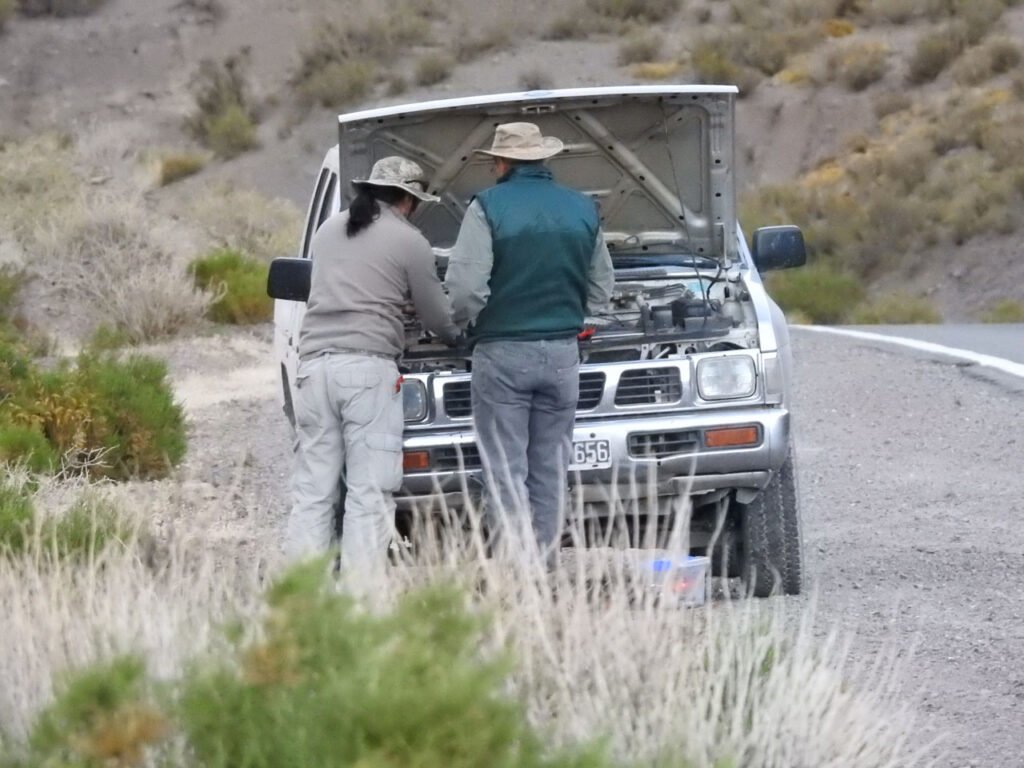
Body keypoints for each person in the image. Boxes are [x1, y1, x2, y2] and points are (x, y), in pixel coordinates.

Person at [445, 122, 614, 567]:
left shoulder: (487, 207)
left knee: (505, 469)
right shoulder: (582, 207)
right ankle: (545, 563)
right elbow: (601, 288)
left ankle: (519, 573)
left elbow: (464, 288)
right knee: (551, 466)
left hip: (502, 354)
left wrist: (462, 323)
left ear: (501, 163)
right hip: (563, 355)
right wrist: (579, 319)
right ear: (542, 159)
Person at [285, 156, 459, 576]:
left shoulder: (329, 230)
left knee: (314, 491)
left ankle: (303, 597)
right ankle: (362, 603)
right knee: (369, 493)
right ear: (409, 199)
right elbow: (438, 317)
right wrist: (460, 334)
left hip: (313, 370)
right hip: (366, 371)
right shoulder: (409, 240)